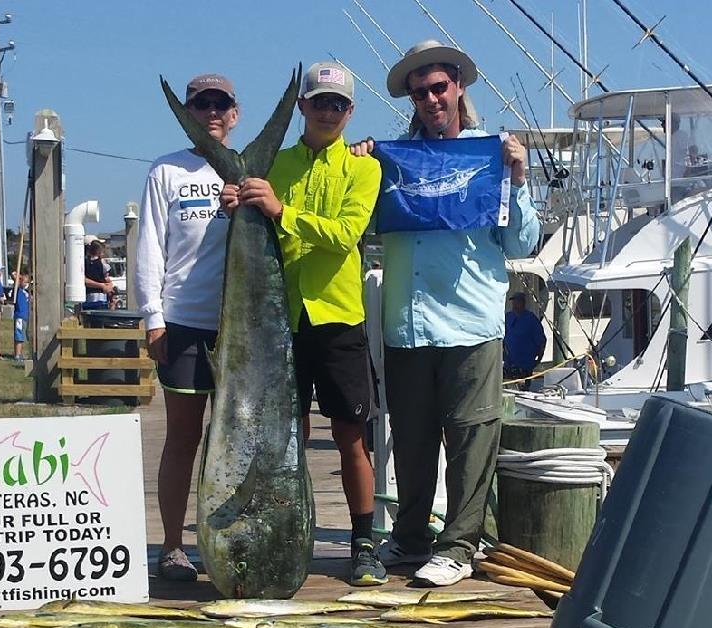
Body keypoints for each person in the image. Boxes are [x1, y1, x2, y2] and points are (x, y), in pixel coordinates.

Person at [351, 40, 540, 586]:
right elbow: (361, 221)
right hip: (407, 324)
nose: (432, 98)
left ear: (458, 86)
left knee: (470, 439)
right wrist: (361, 164)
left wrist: (520, 178)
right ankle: (410, 537)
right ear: (411, 99)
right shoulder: (389, 159)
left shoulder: (493, 152)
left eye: (439, 87)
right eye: (420, 92)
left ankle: (458, 545)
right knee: (409, 441)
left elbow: (521, 242)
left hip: (473, 323)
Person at [221, 62, 386, 586]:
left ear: (350, 111)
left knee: (350, 435)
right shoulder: (275, 165)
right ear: (302, 107)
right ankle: (288, 528)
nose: (328, 111)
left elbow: (344, 235)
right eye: (319, 101)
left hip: (338, 317)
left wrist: (277, 210)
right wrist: (241, 204)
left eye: (338, 104)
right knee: (283, 435)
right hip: (280, 322)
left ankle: (363, 543)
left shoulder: (364, 169)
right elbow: (266, 223)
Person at [134, 72, 239, 582]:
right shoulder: (165, 171)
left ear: (234, 114)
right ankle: (174, 546)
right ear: (189, 113)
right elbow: (149, 247)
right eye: (202, 104)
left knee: (237, 442)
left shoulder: (247, 173)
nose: (212, 112)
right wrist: (153, 318)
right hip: (182, 322)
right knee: (183, 438)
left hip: (239, 329)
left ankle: (230, 542)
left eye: (221, 104)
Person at [503, 292, 546, 391]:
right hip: (509, 363)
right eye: (513, 302)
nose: (514, 304)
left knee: (522, 391)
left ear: (522, 302)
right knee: (508, 389)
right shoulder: (508, 317)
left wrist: (538, 359)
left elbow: (541, 340)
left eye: (516, 301)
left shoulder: (531, 319)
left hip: (525, 364)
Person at [83, 238, 113, 311]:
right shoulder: (102, 263)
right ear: (100, 251)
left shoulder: (85, 262)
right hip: (100, 296)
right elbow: (106, 277)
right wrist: (107, 284)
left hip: (88, 295)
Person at [13, 269, 31, 362]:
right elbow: (14, 275)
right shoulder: (18, 289)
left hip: (28, 316)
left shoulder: (29, 290)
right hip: (20, 316)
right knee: (19, 336)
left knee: (28, 335)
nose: (25, 283)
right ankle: (17, 354)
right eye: (24, 281)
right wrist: (20, 278)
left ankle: (29, 354)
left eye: (27, 281)